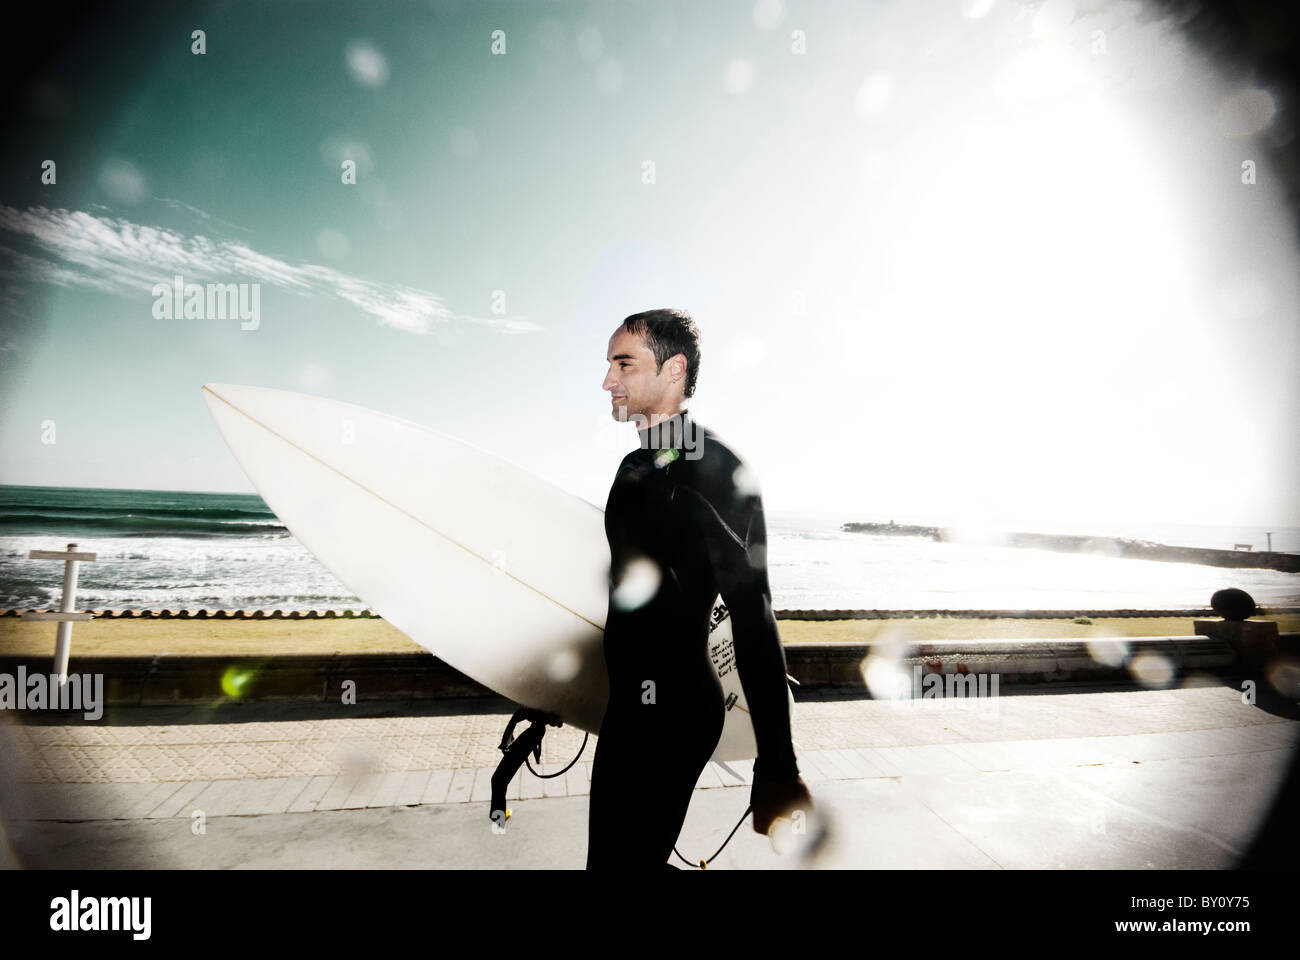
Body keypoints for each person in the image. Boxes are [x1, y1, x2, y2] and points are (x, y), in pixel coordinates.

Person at [587, 307, 812, 870]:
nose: (608, 380)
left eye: (624, 364)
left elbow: (753, 617)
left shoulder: (714, 469)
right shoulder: (639, 464)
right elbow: (630, 594)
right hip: (628, 712)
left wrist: (778, 766)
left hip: (674, 716)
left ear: (673, 369)